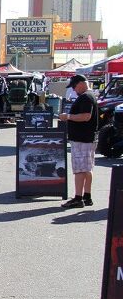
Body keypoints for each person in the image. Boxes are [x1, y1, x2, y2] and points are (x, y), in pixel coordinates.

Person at [59, 74, 98, 208]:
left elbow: (86, 116)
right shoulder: (90, 96)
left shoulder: (86, 97)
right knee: (87, 169)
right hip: (87, 138)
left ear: (81, 83)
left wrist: (68, 116)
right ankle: (87, 196)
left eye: (75, 86)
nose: (74, 90)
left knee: (80, 170)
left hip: (82, 139)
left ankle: (78, 198)